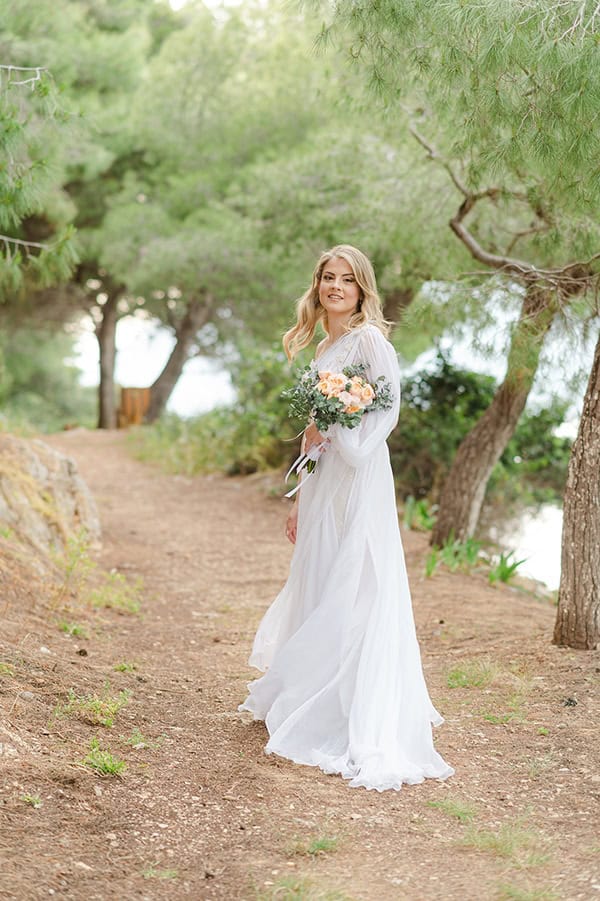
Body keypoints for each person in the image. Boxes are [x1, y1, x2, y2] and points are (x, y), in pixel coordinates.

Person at [238, 244, 454, 791]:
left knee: (356, 580)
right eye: (328, 278)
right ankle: (315, 687)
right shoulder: (327, 346)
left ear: (362, 289)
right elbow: (316, 426)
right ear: (318, 286)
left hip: (359, 474)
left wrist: (345, 435)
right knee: (319, 569)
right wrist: (305, 493)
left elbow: (386, 409)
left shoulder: (369, 341)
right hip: (326, 477)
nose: (336, 287)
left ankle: (350, 704)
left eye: (347, 280)